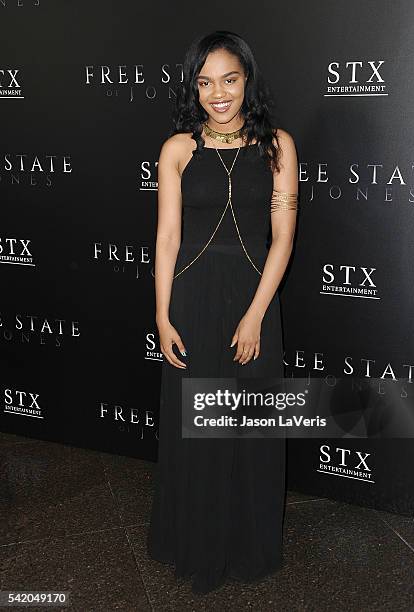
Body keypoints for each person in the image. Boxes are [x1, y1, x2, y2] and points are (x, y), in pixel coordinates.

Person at [147, 30, 298, 594]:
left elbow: (282, 238)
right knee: (197, 429)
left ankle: (246, 547)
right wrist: (162, 315)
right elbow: (166, 238)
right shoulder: (177, 149)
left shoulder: (277, 146)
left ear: (247, 81)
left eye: (229, 80)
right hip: (192, 297)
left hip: (254, 298)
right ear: (194, 88)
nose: (218, 93)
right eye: (205, 82)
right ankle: (196, 543)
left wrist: (257, 312)